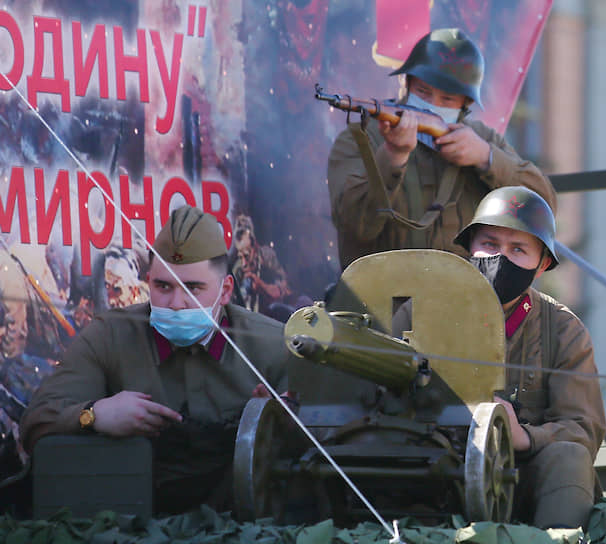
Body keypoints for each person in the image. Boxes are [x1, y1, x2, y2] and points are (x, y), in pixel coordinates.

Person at [20, 206, 292, 515]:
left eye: (193, 288)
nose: (176, 304)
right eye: (163, 287)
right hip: (130, 523)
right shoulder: (111, 336)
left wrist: (274, 422)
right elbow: (35, 422)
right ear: (149, 281)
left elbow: (329, 443)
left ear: (225, 290)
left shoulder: (273, 346)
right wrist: (95, 415)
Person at [327, 28, 557, 269]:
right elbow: (357, 225)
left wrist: (486, 158)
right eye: (423, 92)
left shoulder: (481, 138)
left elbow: (542, 204)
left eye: (447, 99)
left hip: (462, 298)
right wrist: (393, 156)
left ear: (464, 104)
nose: (432, 105)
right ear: (407, 85)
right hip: (379, 296)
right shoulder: (361, 139)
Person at [453, 186, 606, 529]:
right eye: (490, 244)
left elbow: (582, 429)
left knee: (569, 457)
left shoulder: (563, 330)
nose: (500, 258)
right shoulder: (428, 309)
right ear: (470, 246)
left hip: (520, 481)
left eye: (518, 249)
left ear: (542, 265)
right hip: (438, 467)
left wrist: (523, 436)